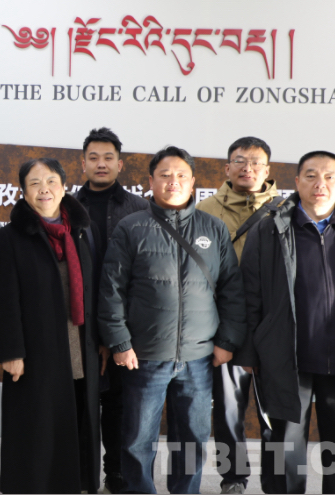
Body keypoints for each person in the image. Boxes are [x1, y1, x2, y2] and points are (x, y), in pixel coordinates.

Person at [98, 146, 246, 494]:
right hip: (143, 356)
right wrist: (119, 342)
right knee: (137, 439)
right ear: (150, 181)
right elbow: (111, 290)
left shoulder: (213, 228)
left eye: (181, 175)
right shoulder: (131, 227)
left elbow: (232, 290)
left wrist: (227, 341)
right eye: (164, 175)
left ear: (193, 182)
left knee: (192, 438)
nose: (173, 181)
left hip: (199, 357)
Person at [239, 151, 335, 494]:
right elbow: (249, 295)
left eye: (329, 176)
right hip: (286, 359)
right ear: (296, 182)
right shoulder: (269, 230)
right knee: (285, 450)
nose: (320, 184)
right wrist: (249, 353)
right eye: (311, 176)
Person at [0, 158, 101, 494]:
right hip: (36, 346)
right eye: (35, 183)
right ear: (24, 192)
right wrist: (12, 352)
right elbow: (6, 298)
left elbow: (96, 289)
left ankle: (72, 484)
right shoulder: (11, 235)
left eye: (51, 181)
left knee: (76, 417)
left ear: (64, 187)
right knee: (38, 424)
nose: (44, 190)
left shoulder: (83, 230)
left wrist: (100, 342)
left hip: (79, 343)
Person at [196, 136, 282, 495]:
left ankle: (277, 482)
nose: (248, 168)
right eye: (240, 161)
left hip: (273, 327)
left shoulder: (285, 210)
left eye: (256, 162)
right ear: (226, 167)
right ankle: (233, 478)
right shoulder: (205, 210)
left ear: (268, 169)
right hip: (226, 325)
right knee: (229, 410)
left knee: (275, 412)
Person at [74, 127, 147, 494]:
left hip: (125, 324)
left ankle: (115, 471)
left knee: (119, 403)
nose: (100, 164)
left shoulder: (140, 208)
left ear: (120, 164)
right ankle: (82, 472)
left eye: (108, 158)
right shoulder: (66, 207)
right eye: (93, 158)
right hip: (78, 322)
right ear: (83, 163)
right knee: (82, 401)